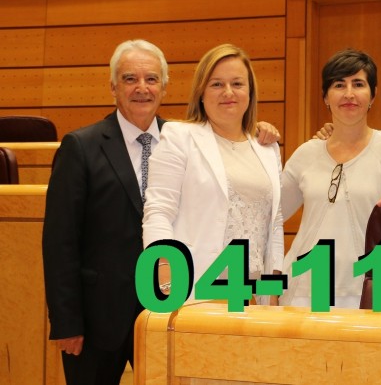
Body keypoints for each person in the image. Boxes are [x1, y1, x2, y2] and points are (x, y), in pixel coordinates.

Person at [41, 39, 280, 385]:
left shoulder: (184, 138)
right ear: (113, 86)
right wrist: (66, 321)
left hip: (174, 307)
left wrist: (257, 131)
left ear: (165, 88)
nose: (142, 88)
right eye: (130, 79)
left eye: (151, 79)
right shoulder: (81, 146)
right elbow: (60, 242)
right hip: (101, 316)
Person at [281, 48, 381, 308]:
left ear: (373, 95)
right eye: (339, 85)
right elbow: (270, 213)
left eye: (358, 84)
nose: (349, 94)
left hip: (371, 287)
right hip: (305, 289)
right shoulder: (306, 154)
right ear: (325, 97)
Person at [142, 44, 284, 304]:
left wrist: (273, 291)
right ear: (201, 93)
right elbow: (158, 212)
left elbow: (275, 224)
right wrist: (165, 279)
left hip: (253, 296)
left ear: (250, 92)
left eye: (237, 83)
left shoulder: (267, 148)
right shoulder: (179, 137)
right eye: (217, 84)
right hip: (195, 289)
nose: (228, 92)